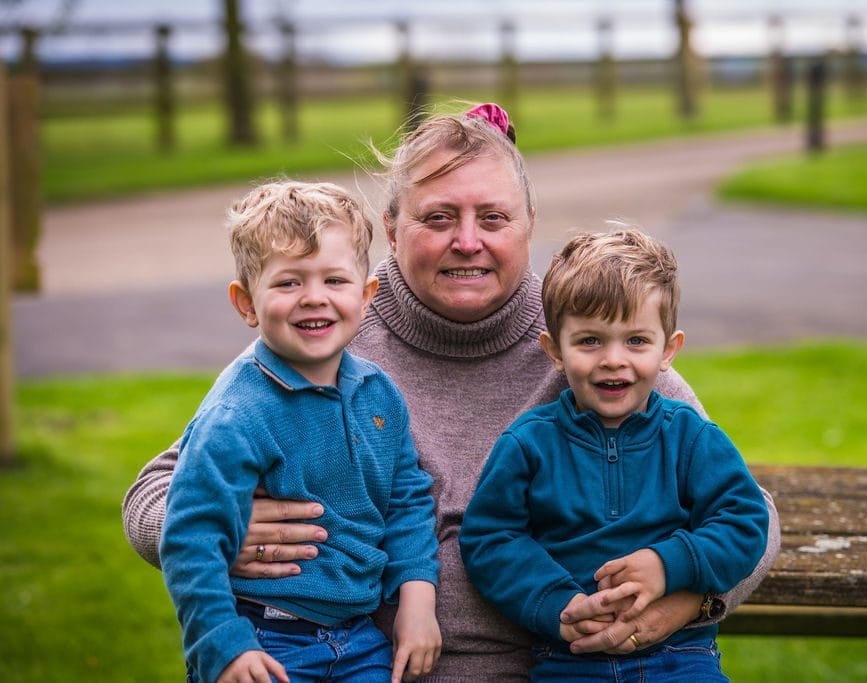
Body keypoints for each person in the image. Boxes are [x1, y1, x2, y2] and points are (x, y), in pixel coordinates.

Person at [123, 103, 781, 682]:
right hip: (364, 662)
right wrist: (222, 526)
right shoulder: (330, 326)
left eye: (492, 217)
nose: (468, 241)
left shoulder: (592, 332)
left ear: (529, 221)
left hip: (559, 667)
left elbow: (754, 516)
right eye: (439, 217)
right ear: (391, 224)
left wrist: (688, 601)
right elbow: (152, 493)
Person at [158, 181, 441, 683]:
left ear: (367, 294)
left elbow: (407, 500)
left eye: (335, 280)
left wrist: (417, 597)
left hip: (360, 641)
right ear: (246, 303)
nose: (314, 299)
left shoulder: (380, 395)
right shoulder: (237, 413)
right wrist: (222, 645)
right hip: (264, 640)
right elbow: (191, 537)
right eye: (289, 283)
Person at [460, 228, 769, 681]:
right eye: (590, 341)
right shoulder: (528, 444)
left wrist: (669, 565)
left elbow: (743, 522)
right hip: (569, 658)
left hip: (681, 657)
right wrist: (557, 605)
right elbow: (490, 539)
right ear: (554, 351)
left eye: (636, 341)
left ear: (669, 350)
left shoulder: (690, 437)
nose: (613, 359)